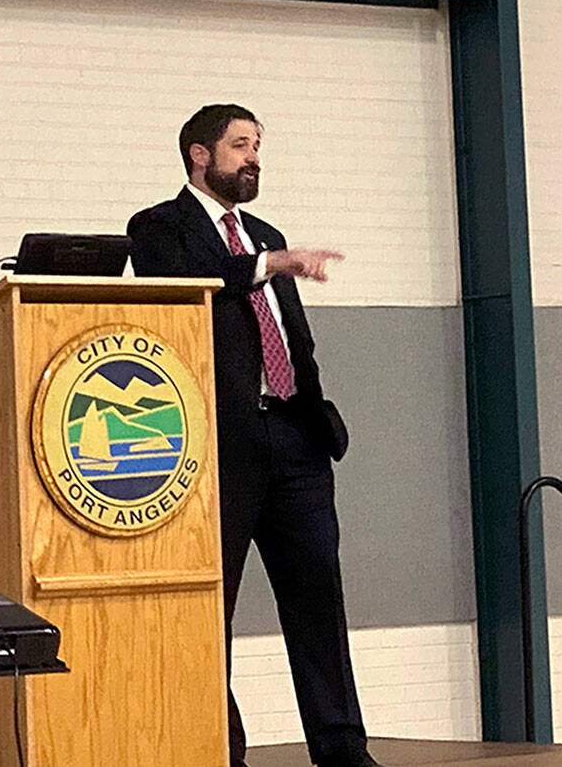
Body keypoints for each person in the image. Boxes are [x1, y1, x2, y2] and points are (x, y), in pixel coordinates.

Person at [127, 104, 381, 767]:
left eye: (258, 146)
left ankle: (342, 748)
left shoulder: (267, 233)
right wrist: (270, 263)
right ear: (199, 155)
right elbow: (187, 283)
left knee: (318, 601)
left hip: (295, 439)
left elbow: (292, 336)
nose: (254, 158)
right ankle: (221, 751)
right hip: (222, 446)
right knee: (214, 610)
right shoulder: (158, 228)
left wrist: (314, 407)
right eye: (240, 145)